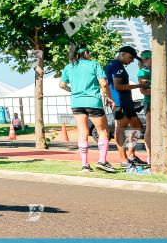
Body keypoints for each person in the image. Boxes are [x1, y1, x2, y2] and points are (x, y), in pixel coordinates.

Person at [60, 45, 117, 173]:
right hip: (93, 102)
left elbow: (62, 85)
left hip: (77, 103)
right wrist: (110, 98)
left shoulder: (69, 67)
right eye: (89, 52)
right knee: (103, 131)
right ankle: (102, 161)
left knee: (83, 133)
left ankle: (85, 165)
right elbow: (103, 83)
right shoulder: (94, 64)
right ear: (86, 53)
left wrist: (73, 91)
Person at [106, 46, 146, 169]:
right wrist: (139, 85)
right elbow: (117, 86)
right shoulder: (117, 66)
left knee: (137, 126)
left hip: (126, 103)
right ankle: (124, 160)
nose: (132, 61)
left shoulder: (115, 65)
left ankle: (131, 155)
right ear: (122, 54)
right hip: (120, 103)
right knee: (121, 130)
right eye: (130, 58)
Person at [138, 50, 152, 165]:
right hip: (150, 103)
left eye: (147, 58)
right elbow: (143, 90)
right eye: (143, 59)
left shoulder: (159, 70)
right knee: (149, 128)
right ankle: (149, 156)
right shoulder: (142, 72)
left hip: (161, 103)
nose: (145, 61)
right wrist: (160, 92)